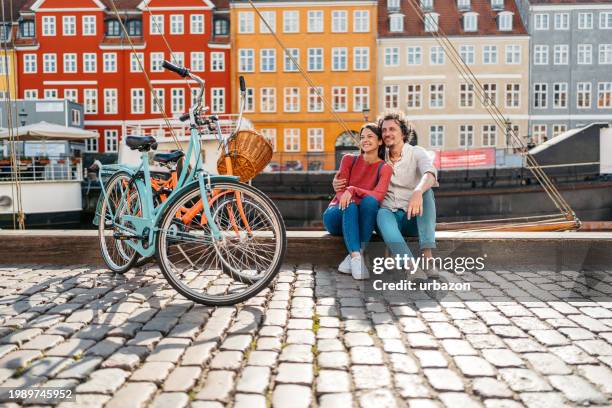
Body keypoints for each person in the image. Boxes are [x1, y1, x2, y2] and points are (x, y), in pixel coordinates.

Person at [324, 123, 392, 280]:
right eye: (362, 137)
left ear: (380, 141)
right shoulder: (348, 160)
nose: (365, 140)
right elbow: (340, 191)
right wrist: (348, 194)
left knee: (370, 202)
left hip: (360, 220)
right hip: (336, 215)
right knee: (351, 204)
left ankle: (355, 257)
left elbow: (379, 195)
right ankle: (356, 257)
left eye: (370, 136)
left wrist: (353, 189)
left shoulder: (385, 168)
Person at [375, 111, 439, 274]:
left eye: (392, 129)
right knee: (382, 213)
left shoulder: (416, 152)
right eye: (384, 130)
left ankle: (428, 257)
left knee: (427, 192)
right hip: (389, 221)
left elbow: (430, 173)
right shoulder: (378, 157)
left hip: (414, 219)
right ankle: (411, 267)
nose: (387, 133)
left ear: (403, 132)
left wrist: (418, 190)